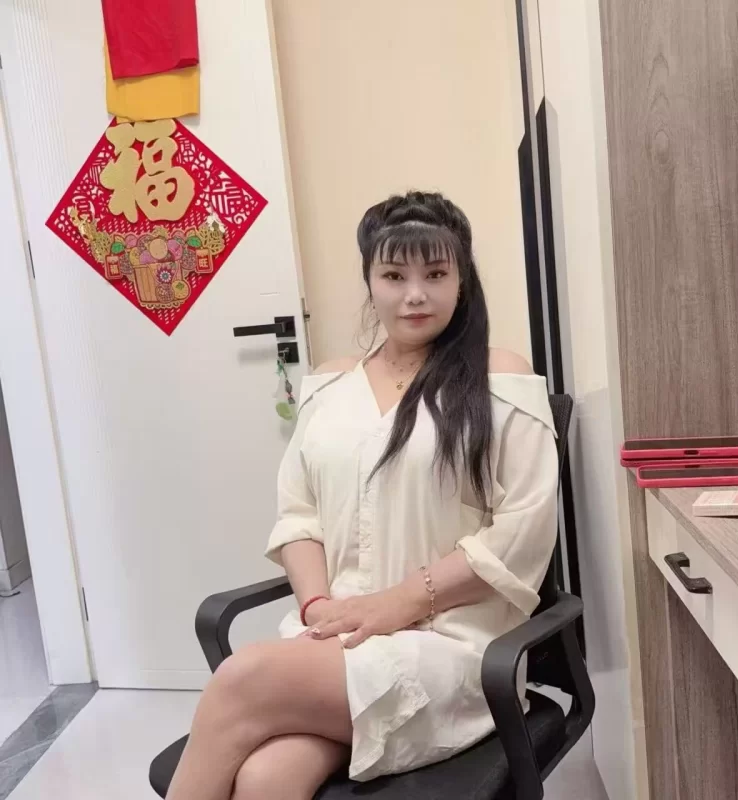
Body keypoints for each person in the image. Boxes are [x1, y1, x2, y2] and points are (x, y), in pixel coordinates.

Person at [165, 191, 559, 800]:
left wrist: (395, 604)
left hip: (449, 646)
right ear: (370, 281)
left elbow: (522, 530)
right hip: (339, 637)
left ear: (462, 280)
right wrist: (317, 604)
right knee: (266, 779)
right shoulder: (330, 385)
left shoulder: (497, 376)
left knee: (242, 679)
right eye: (394, 276)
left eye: (436, 274)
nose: (415, 295)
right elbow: (299, 517)